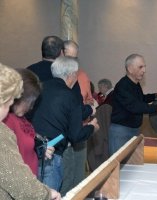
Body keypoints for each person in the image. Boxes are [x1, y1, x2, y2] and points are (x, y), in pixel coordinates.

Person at [31, 56, 99, 192]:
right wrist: (92, 127)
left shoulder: (38, 89)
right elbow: (76, 135)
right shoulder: (70, 96)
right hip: (52, 155)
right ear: (71, 75)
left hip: (33, 151)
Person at [0, 63, 61, 200]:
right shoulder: (4, 127)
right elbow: (15, 177)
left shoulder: (20, 120)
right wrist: (46, 194)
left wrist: (39, 151)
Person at [109, 53, 157, 155]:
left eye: (144, 67)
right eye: (140, 67)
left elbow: (141, 99)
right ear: (130, 69)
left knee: (132, 166)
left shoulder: (135, 84)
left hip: (133, 130)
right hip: (121, 132)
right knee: (119, 167)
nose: (144, 70)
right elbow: (135, 107)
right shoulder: (122, 86)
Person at [60, 40, 96, 196]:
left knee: (80, 177)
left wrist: (91, 105)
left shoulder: (82, 75)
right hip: (64, 135)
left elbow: (87, 99)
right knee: (66, 178)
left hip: (81, 129)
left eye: (75, 58)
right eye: (69, 57)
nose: (72, 62)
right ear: (61, 55)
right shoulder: (55, 75)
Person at [3, 69, 54, 176]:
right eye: (31, 102)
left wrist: (41, 151)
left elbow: (25, 150)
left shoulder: (21, 118)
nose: (31, 107)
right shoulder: (7, 122)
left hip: (30, 181)